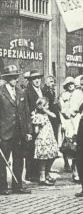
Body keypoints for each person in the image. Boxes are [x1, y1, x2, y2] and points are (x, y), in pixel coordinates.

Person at [0, 65, 32, 195]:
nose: (15, 80)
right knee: (3, 161)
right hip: (4, 132)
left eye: (16, 77)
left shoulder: (20, 92)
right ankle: (2, 187)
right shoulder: (0, 92)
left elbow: (26, 113)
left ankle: (17, 186)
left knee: (19, 159)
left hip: (19, 133)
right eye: (12, 77)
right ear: (7, 79)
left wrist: (28, 131)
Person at [32, 97, 59, 186]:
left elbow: (54, 116)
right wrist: (40, 125)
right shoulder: (38, 116)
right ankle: (42, 176)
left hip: (50, 138)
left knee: (52, 155)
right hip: (43, 138)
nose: (48, 106)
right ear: (41, 106)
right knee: (43, 158)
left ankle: (46, 174)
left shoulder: (46, 114)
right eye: (46, 105)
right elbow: (36, 131)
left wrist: (46, 111)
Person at [24, 69, 44, 182]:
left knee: (39, 148)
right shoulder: (27, 91)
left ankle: (37, 173)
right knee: (31, 148)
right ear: (31, 80)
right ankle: (30, 174)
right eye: (34, 79)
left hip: (42, 123)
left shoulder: (41, 91)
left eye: (38, 78)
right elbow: (27, 108)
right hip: (33, 122)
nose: (37, 80)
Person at [59, 77, 76, 175]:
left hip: (75, 121)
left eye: (72, 84)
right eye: (68, 84)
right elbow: (61, 110)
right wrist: (63, 123)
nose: (70, 86)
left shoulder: (78, 94)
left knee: (75, 143)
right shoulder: (63, 95)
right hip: (67, 121)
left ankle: (74, 164)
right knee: (65, 143)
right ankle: (66, 162)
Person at [42, 75, 61, 142]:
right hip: (50, 115)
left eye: (53, 82)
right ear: (46, 82)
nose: (52, 83)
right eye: (51, 81)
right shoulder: (44, 91)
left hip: (54, 115)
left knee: (55, 133)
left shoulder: (52, 90)